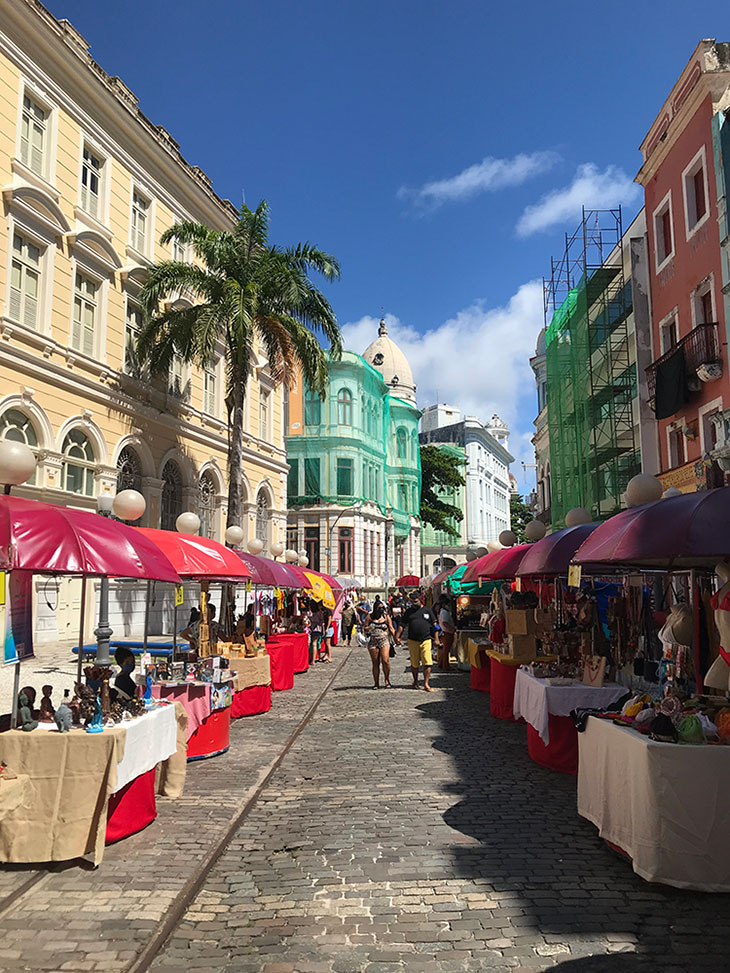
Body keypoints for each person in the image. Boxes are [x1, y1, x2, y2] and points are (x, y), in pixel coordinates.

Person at [395, 591, 437, 692]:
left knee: (427, 662)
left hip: (426, 639)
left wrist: (437, 638)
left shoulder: (427, 611)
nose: (414, 603)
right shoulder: (409, 612)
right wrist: (397, 636)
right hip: (412, 640)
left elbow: (435, 625)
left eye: (416, 601)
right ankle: (415, 682)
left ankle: (426, 684)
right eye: (412, 601)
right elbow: (402, 625)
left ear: (420, 599)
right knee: (414, 663)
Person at [365, 601, 395, 688]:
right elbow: (365, 628)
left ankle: (387, 680)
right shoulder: (370, 616)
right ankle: (376, 683)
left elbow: (391, 628)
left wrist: (396, 638)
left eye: (382, 607)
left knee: (385, 661)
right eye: (379, 608)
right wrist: (370, 627)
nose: (380, 610)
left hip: (384, 640)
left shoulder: (386, 617)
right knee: (375, 662)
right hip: (373, 641)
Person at [437, 596, 456, 672]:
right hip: (447, 632)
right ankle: (445, 666)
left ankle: (442, 664)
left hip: (446, 632)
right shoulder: (444, 612)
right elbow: (445, 623)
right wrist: (452, 629)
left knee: (445, 650)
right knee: (446, 650)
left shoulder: (442, 611)